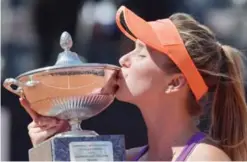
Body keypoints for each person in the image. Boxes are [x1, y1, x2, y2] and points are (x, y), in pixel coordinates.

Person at [21, 6, 247, 161]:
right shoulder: (123, 157)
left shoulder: (206, 158)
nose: (122, 60)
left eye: (140, 54)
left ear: (175, 82)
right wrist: (52, 146)